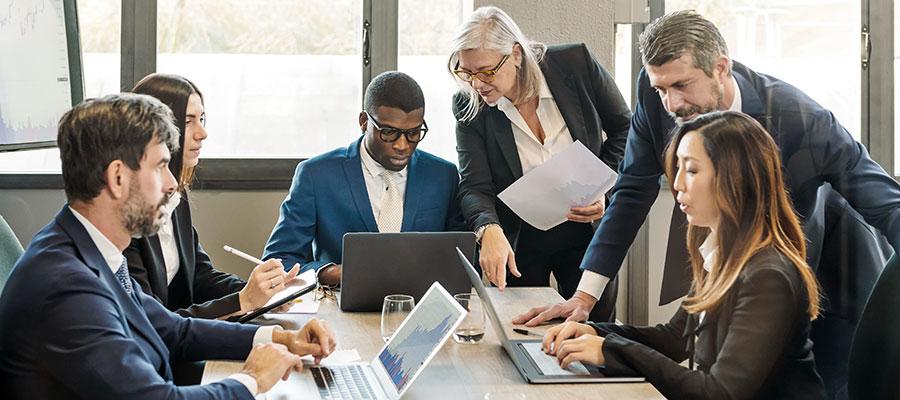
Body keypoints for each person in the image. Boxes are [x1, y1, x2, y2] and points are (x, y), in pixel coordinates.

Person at [515, 11, 900, 397]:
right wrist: (587, 304)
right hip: (749, 261)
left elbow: (884, 204)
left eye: (682, 85)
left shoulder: (801, 118)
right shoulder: (716, 244)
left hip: (829, 277)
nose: (671, 103)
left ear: (720, 68)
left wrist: (611, 347)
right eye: (662, 88)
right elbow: (632, 190)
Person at [0, 94, 336, 399]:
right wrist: (252, 379)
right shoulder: (67, 287)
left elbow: (173, 329)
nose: (173, 183)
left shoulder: (89, 248)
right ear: (118, 178)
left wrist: (280, 338)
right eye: (161, 166)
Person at [543, 111, 825, 399]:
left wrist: (610, 350)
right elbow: (674, 339)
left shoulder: (768, 276)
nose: (677, 183)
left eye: (691, 170)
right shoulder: (720, 252)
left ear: (735, 177)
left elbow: (720, 392)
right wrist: (593, 333)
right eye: (677, 168)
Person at [449, 6, 631, 321]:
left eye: (487, 71)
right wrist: (487, 229)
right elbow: (474, 185)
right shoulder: (469, 104)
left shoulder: (576, 64)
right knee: (521, 330)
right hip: (519, 239)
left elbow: (627, 130)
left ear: (516, 54)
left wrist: (604, 185)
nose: (477, 84)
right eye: (467, 73)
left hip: (587, 231)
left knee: (594, 332)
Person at [263, 71, 464, 286]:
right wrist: (331, 273)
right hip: (340, 308)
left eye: (413, 133)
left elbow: (464, 258)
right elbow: (279, 260)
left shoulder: (443, 175)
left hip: (422, 307)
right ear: (363, 121)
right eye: (388, 132)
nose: (402, 145)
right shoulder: (316, 175)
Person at [126, 73, 297, 320]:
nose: (202, 133)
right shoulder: (129, 213)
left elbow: (200, 275)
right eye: (188, 122)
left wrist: (261, 295)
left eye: (202, 119)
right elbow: (152, 322)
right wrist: (244, 300)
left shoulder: (176, 198)